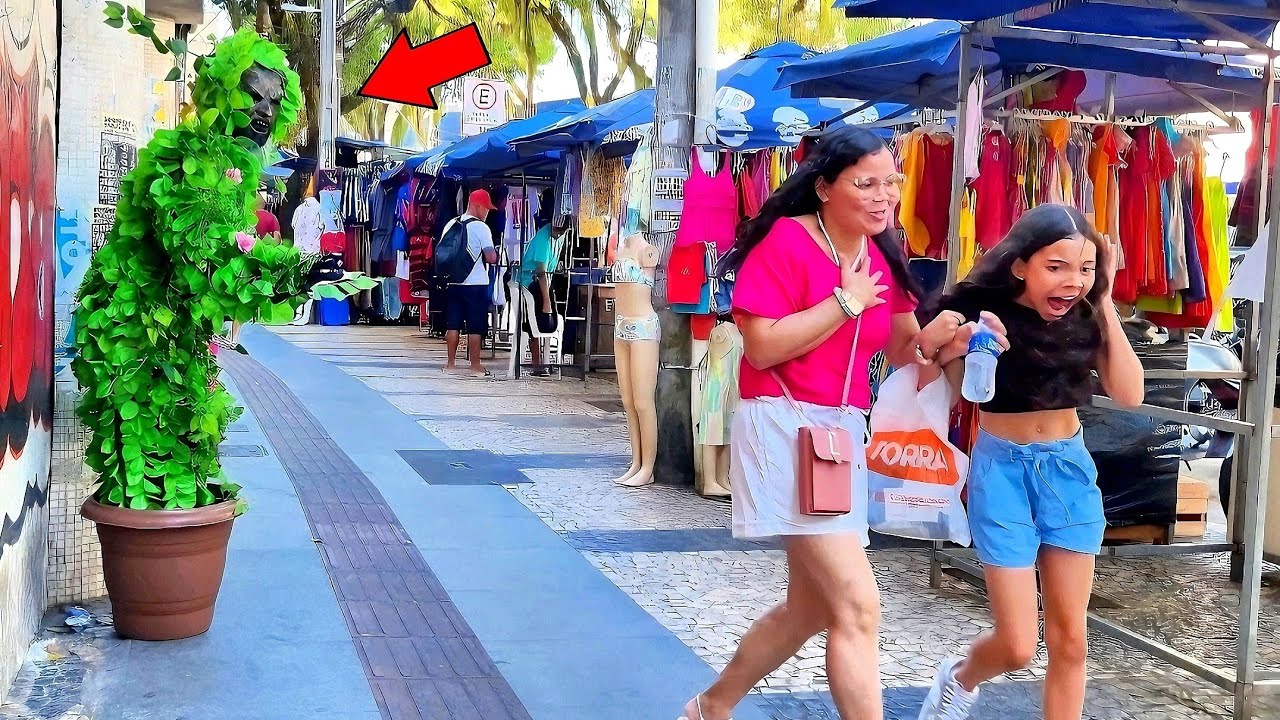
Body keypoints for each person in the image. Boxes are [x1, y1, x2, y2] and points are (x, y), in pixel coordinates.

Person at [679, 126, 965, 720]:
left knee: (810, 609)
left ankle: (710, 706)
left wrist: (947, 338)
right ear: (824, 187)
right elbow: (762, 348)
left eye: (891, 181)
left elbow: (904, 348)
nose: (884, 196)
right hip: (782, 428)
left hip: (838, 437)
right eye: (866, 183)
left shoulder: (882, 252)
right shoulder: (786, 241)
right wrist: (844, 302)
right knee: (858, 607)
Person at [917, 203, 1144, 720]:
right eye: (1056, 267)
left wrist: (1105, 298)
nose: (1073, 282)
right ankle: (960, 678)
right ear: (1021, 264)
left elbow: (1130, 394)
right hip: (1001, 473)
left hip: (1068, 472)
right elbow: (943, 386)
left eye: (1085, 268)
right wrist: (955, 347)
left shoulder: (1089, 313)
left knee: (1071, 641)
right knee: (1018, 645)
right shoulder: (980, 313)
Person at [442, 189, 499, 377]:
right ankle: (475, 366)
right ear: (477, 206)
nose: (487, 212)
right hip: (476, 284)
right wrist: (497, 254)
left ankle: (450, 364)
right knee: (475, 326)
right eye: (486, 208)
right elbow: (490, 257)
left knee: (453, 324)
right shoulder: (481, 228)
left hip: (452, 282)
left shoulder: (451, 224)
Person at [517, 203, 561, 377]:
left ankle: (544, 360)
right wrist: (547, 301)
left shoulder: (555, 236)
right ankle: (537, 361)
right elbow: (541, 273)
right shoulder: (544, 239)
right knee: (536, 319)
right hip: (529, 283)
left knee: (545, 316)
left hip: (538, 281)